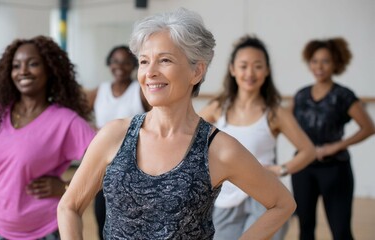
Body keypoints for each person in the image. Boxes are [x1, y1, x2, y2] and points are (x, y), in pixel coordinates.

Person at [58, 8, 296, 240]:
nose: (149, 72)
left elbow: (281, 204)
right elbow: (69, 206)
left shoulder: (219, 149)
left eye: (164, 60)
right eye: (143, 61)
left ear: (197, 71)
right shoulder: (114, 135)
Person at [0, 35, 96, 240]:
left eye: (33, 64)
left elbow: (106, 164)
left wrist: (65, 187)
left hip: (47, 228)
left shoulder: (65, 121)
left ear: (50, 70)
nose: (23, 71)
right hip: (0, 229)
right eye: (16, 66)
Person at [199, 35, 315, 240]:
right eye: (243, 66)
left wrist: (281, 169)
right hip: (226, 198)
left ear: (267, 70)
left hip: (265, 199)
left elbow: (308, 150)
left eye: (258, 66)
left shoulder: (275, 112)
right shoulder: (218, 108)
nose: (250, 73)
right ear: (233, 69)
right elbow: (188, 137)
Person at [291, 37, 375, 240]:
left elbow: (368, 128)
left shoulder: (344, 95)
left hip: (335, 170)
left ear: (336, 63)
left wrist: (335, 147)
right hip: (304, 169)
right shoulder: (301, 95)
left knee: (341, 231)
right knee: (305, 229)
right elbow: (288, 128)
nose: (318, 66)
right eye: (314, 60)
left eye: (325, 61)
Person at [84, 45, 151, 239]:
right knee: (102, 218)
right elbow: (76, 116)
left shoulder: (140, 91)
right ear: (109, 64)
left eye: (125, 61)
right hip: (104, 168)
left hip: (136, 169)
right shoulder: (100, 91)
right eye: (115, 61)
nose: (120, 66)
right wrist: (92, 133)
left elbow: (158, 119)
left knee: (133, 223)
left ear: (133, 65)